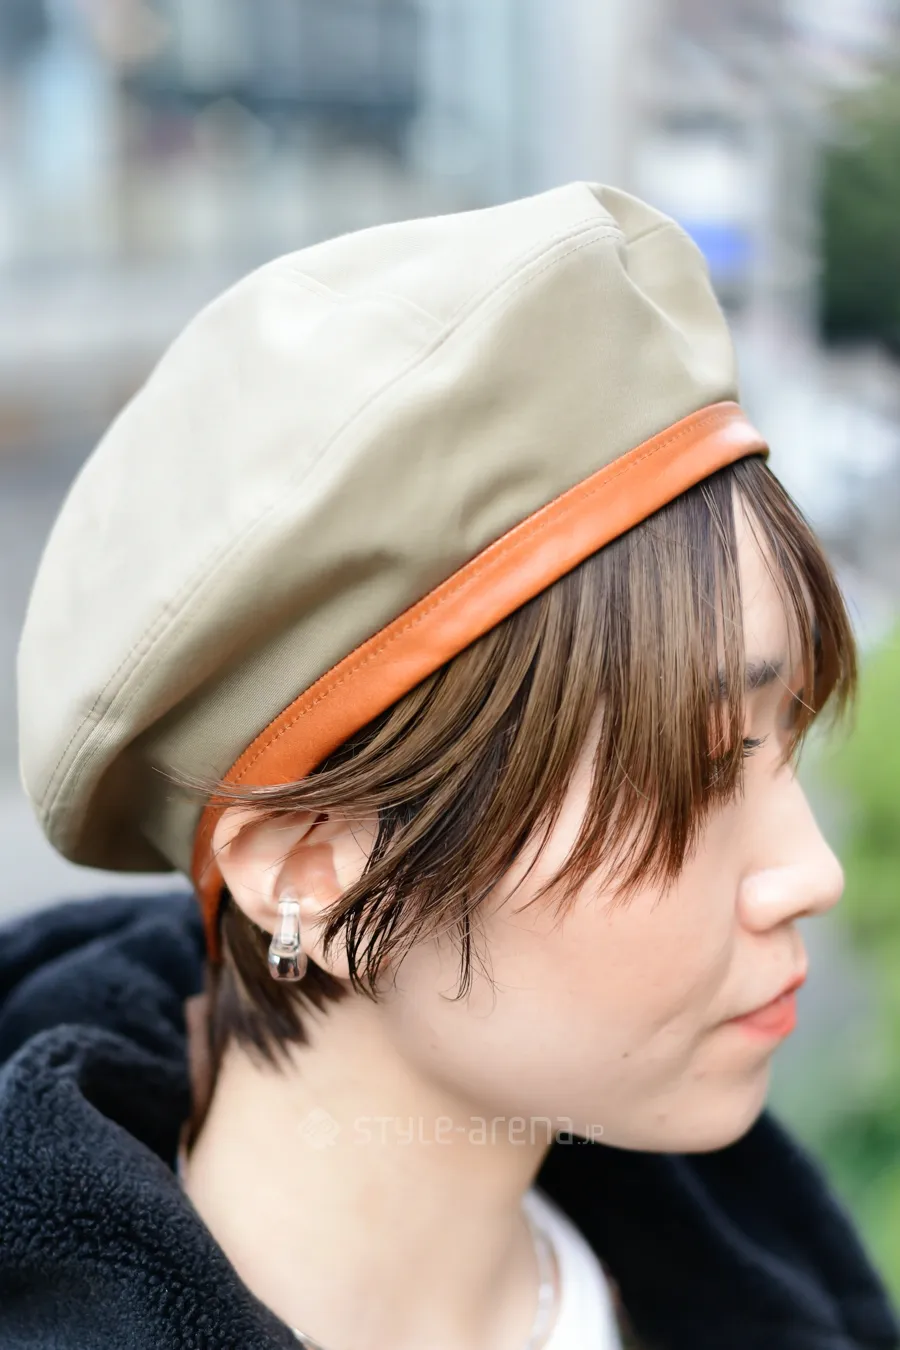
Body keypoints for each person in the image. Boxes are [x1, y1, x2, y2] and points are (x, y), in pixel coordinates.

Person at [5, 182, 899, 1350]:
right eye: (699, 767)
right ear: (309, 867)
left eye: (787, 734)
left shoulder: (757, 1279)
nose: (811, 873)